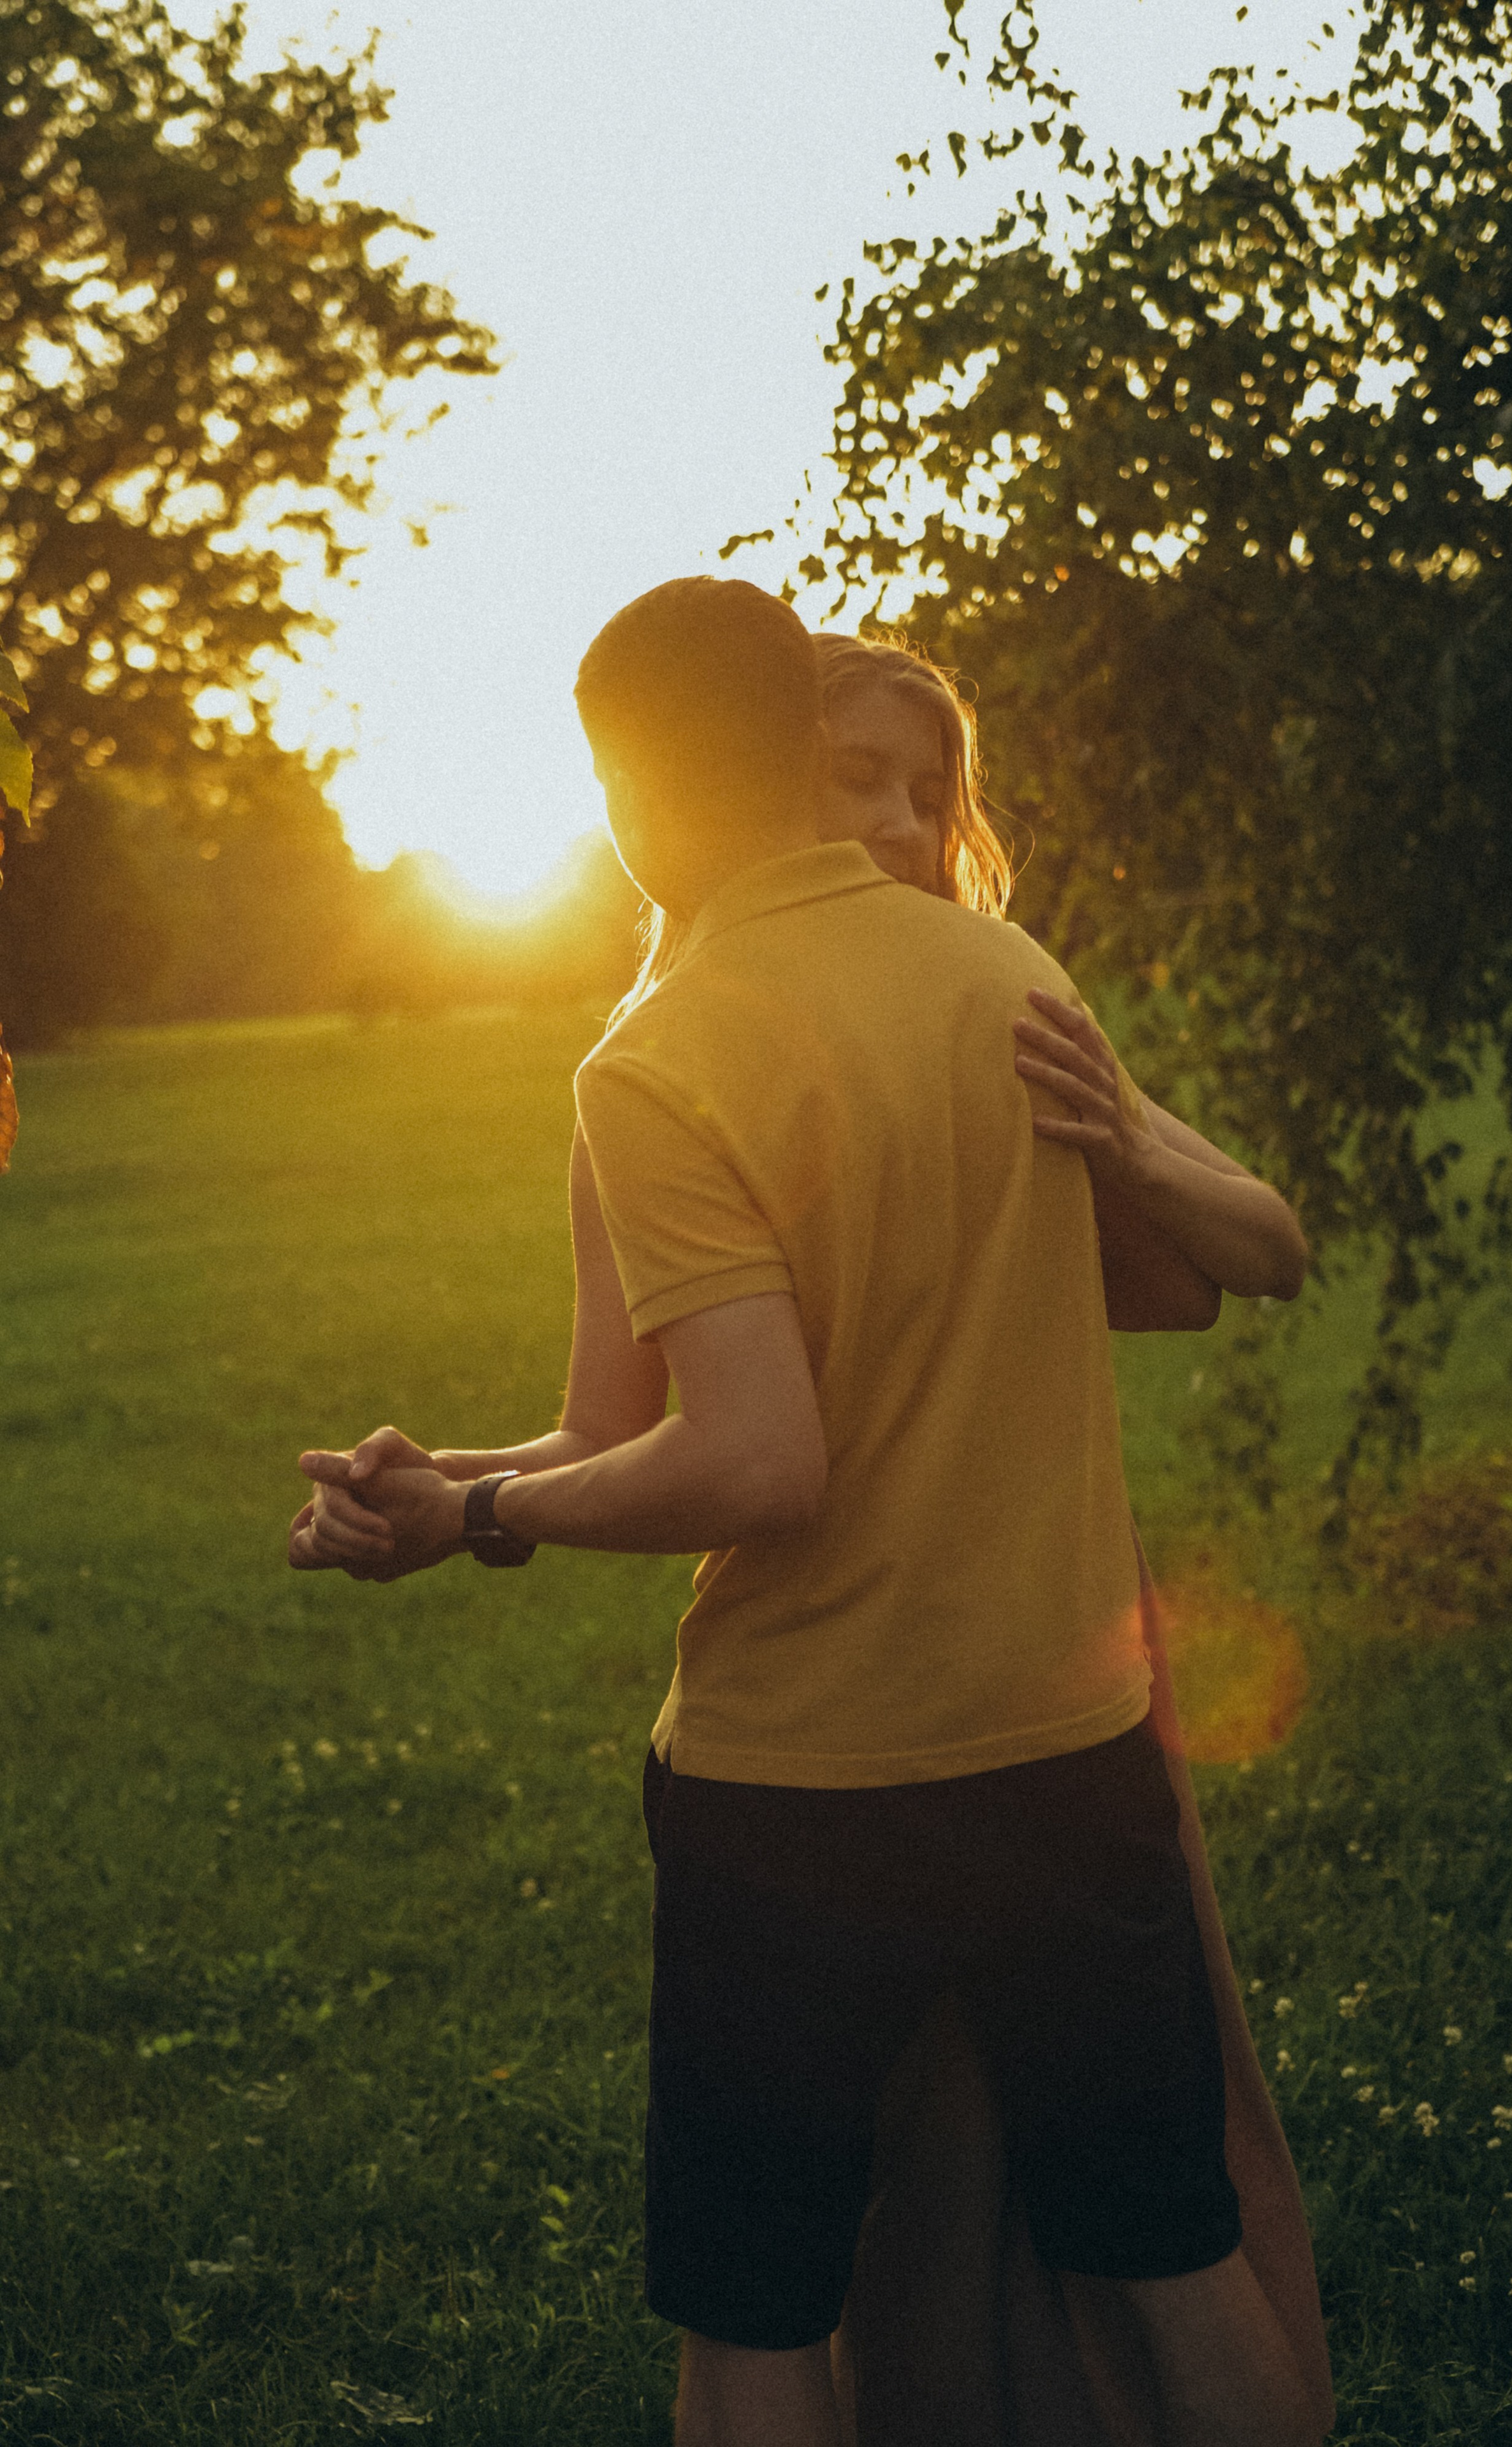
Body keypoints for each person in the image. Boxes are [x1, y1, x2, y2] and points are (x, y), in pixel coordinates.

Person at [291, 581, 1328, 2447]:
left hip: (799, 1801)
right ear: (798, 747)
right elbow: (612, 1427)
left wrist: (489, 1532)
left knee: (761, 2311)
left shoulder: (664, 1053)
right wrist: (445, 1490)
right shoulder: (1012, 981)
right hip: (1063, 1755)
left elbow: (759, 1465)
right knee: (1173, 2262)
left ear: (621, 787)